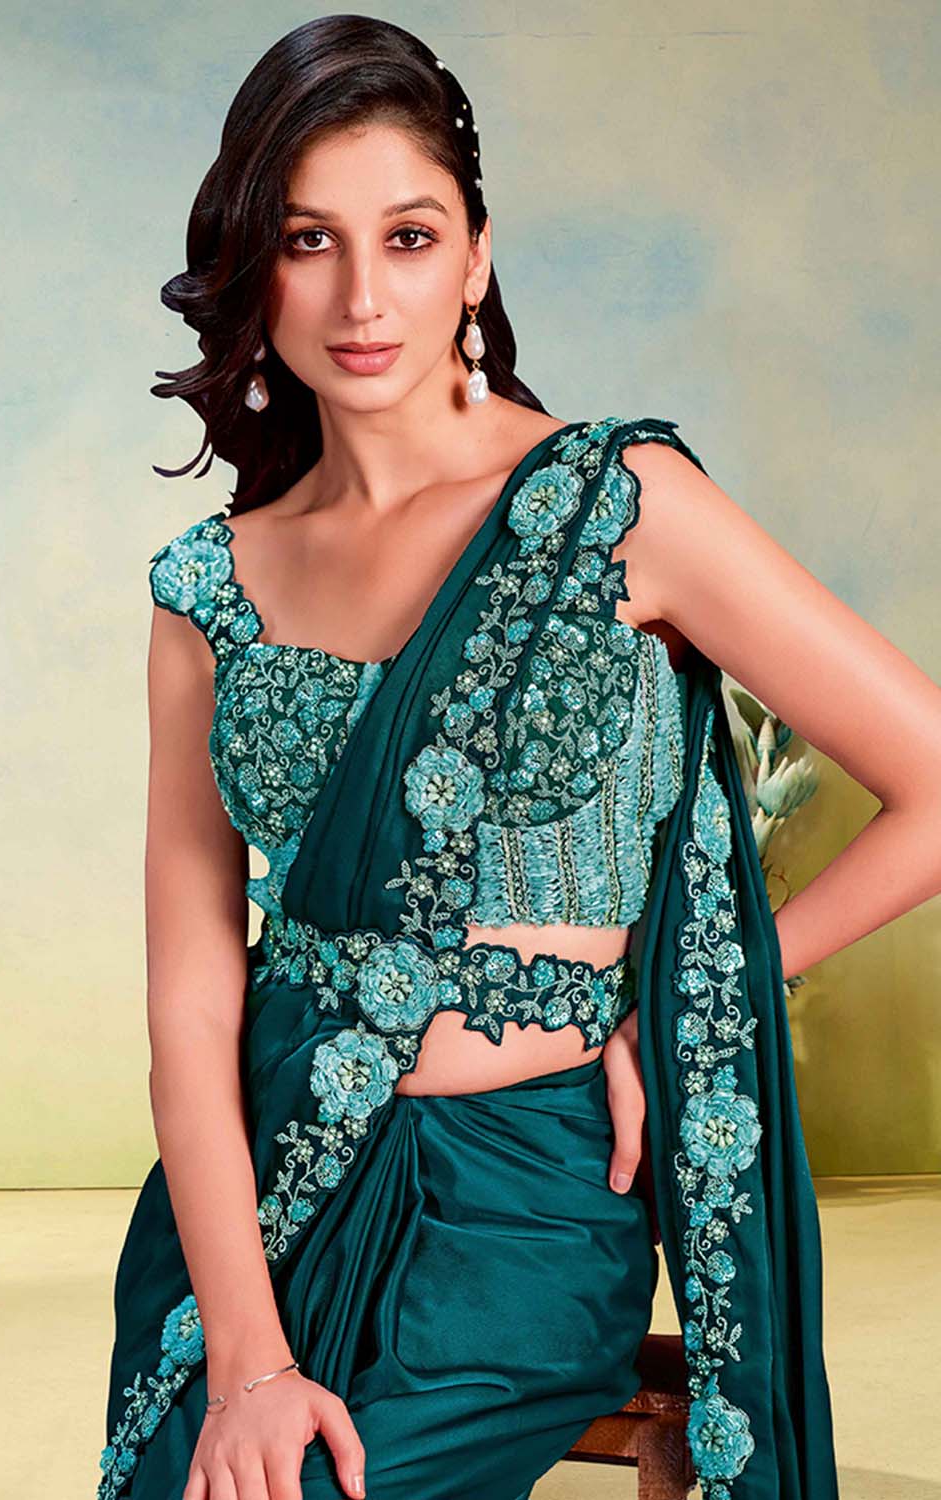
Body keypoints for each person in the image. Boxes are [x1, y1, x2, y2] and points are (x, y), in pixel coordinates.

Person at [96, 15, 941, 1500]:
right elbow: (191, 998)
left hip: (527, 1201)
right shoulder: (209, 587)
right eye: (308, 240)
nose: (364, 297)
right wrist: (247, 1361)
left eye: (410, 237)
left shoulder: (619, 506)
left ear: (476, 258)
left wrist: (677, 1019)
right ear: (254, 268)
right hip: (256, 1196)